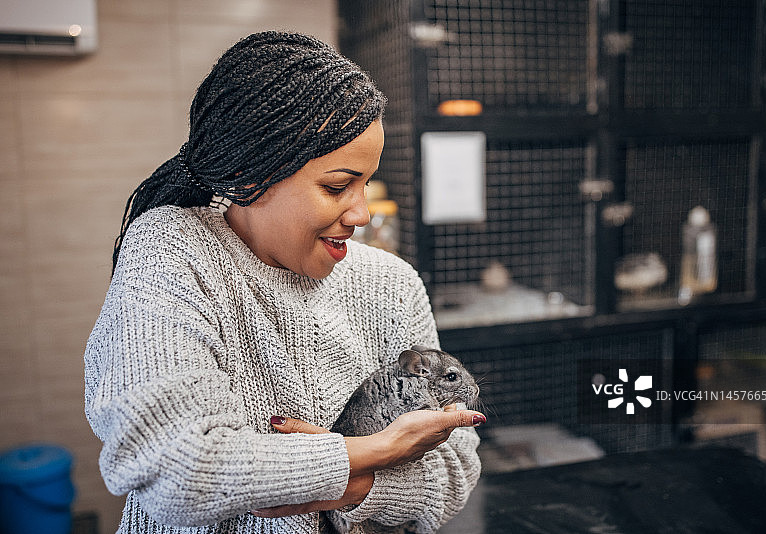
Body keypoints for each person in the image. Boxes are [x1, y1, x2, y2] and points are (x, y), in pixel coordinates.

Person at [84, 31, 485, 533]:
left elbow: (456, 467)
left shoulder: (391, 283)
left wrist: (355, 486)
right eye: (338, 186)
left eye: (366, 183)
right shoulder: (173, 252)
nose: (361, 213)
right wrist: (371, 453)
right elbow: (177, 470)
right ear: (252, 175)